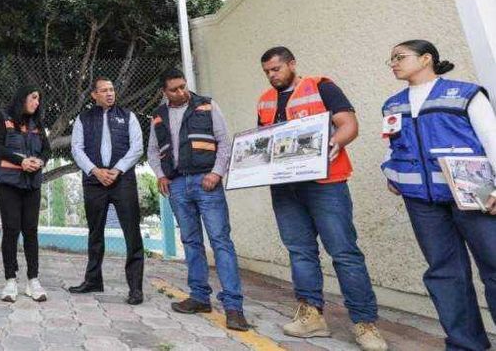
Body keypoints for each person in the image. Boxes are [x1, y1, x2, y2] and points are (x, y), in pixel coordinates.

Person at [256, 46, 388, 351]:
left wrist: (331, 143)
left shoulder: (322, 87)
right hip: (285, 188)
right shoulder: (264, 100)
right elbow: (263, 141)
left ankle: (365, 323)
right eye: (266, 72)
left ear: (291, 64)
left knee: (343, 252)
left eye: (276, 69)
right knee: (300, 251)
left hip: (325, 182)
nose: (271, 75)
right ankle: (311, 315)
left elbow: (348, 125)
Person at [382, 39, 496, 351]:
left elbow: (491, 137)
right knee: (445, 273)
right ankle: (464, 344)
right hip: (422, 202)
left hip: (475, 193)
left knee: (495, 265)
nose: (393, 63)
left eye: (400, 57)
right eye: (390, 59)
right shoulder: (393, 104)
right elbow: (394, 146)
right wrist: (392, 173)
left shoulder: (464, 94)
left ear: (426, 58)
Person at [148, 68, 250, 330]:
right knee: (191, 242)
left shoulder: (206, 105)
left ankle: (233, 307)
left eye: (183, 86)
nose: (181, 92)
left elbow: (224, 142)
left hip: (207, 182)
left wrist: (217, 173)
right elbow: (152, 151)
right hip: (178, 184)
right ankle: (199, 297)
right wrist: (161, 175)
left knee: (220, 241)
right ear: (164, 92)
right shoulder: (158, 116)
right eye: (174, 89)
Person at [68, 77, 145, 305]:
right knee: (95, 232)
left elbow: (137, 147)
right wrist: (95, 171)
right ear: (94, 94)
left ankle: (135, 288)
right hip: (94, 183)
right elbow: (76, 149)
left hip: (122, 182)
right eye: (104, 90)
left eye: (111, 90)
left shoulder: (128, 116)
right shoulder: (83, 118)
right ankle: (93, 280)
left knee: (132, 233)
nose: (110, 94)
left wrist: (117, 170)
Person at [0, 87, 50, 302]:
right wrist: (21, 161)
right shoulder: (4, 118)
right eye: (34, 97)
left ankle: (33, 280)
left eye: (39, 98)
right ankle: (10, 281)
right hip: (8, 183)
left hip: (31, 184)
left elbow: (47, 150)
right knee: (12, 229)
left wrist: (40, 161)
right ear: (22, 97)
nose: (37, 102)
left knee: (31, 230)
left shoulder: (37, 123)